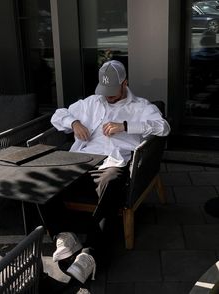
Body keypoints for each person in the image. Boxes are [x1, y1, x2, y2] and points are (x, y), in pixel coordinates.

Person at [49, 60, 170, 287]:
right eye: (105, 92)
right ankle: (65, 234)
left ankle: (91, 253)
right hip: (81, 160)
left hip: (112, 163)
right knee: (44, 178)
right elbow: (57, 115)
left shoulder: (141, 107)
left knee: (113, 181)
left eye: (113, 92)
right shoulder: (91, 102)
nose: (108, 97)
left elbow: (163, 127)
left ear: (125, 83)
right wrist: (74, 122)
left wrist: (126, 126)